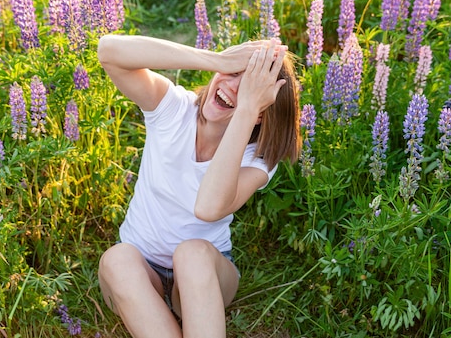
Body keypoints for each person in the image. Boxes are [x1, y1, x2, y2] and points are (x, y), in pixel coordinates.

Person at [97, 34, 301, 338]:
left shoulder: (256, 158)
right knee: (117, 258)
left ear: (259, 112)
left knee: (191, 254)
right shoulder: (174, 109)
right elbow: (109, 51)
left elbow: (208, 208)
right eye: (233, 74)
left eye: (246, 87)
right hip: (140, 269)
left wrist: (244, 110)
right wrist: (217, 60)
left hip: (205, 276)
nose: (231, 86)